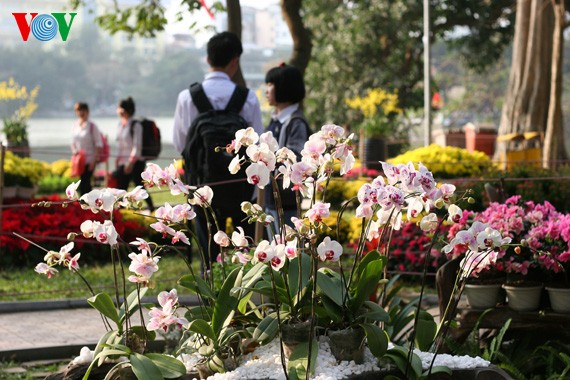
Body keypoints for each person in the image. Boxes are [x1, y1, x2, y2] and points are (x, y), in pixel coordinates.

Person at [172, 31, 263, 264]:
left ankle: (210, 291)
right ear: (235, 61)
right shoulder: (248, 98)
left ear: (207, 58)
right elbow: (257, 145)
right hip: (240, 187)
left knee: (208, 252)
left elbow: (180, 143)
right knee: (245, 252)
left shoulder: (187, 97)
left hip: (201, 187)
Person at [264, 64, 310, 233]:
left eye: (270, 85)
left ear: (284, 88)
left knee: (287, 247)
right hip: (271, 197)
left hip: (287, 199)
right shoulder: (276, 120)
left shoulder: (295, 122)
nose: (266, 90)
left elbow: (295, 156)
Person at [114, 96, 154, 211]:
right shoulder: (121, 125)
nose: (118, 111)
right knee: (121, 189)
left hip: (136, 162)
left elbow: (137, 146)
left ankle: (151, 208)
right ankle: (121, 212)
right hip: (123, 162)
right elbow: (120, 145)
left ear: (126, 110)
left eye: (120, 108)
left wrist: (130, 163)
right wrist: (118, 160)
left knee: (139, 188)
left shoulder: (136, 125)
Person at [71, 102, 103, 195]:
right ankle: (83, 204)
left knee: (86, 182)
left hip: (89, 160)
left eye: (83, 110)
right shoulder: (75, 125)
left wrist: (94, 160)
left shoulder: (92, 126)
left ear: (87, 112)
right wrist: (75, 153)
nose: (81, 112)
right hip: (79, 160)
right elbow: (73, 142)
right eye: (78, 110)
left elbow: (99, 144)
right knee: (81, 182)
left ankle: (87, 204)